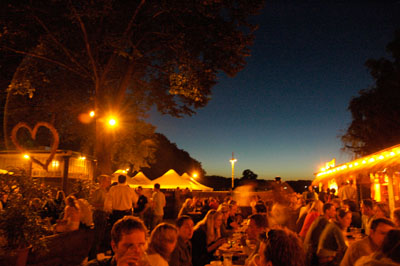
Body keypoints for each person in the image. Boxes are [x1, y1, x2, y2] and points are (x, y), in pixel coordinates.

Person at [88, 174, 111, 261]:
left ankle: (95, 255)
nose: (108, 182)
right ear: (102, 182)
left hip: (104, 214)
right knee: (97, 237)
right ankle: (92, 257)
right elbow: (93, 203)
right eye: (107, 181)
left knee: (101, 236)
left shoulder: (105, 191)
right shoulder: (98, 192)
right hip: (99, 214)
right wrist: (104, 205)